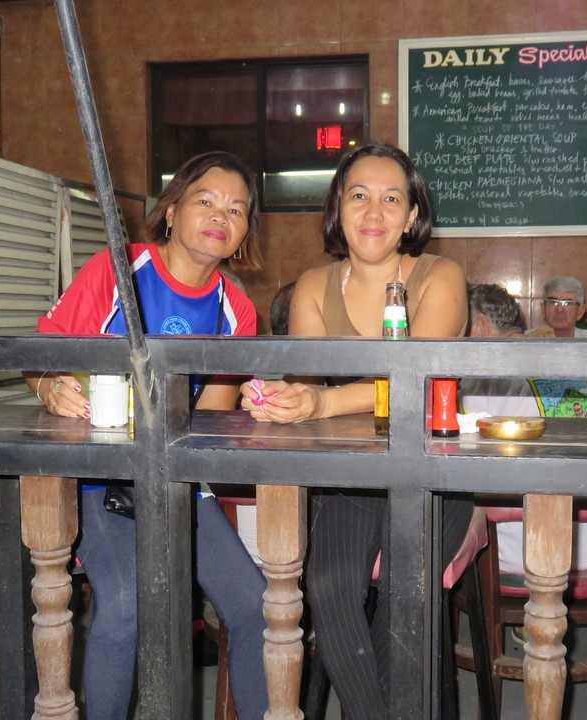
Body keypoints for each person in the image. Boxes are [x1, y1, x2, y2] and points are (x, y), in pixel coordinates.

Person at [28, 151, 269, 720]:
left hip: (176, 481)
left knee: (255, 606)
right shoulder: (118, 270)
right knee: (125, 603)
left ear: (243, 234)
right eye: (206, 201)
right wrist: (48, 387)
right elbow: (40, 353)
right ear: (172, 210)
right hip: (96, 478)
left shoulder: (236, 309)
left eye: (237, 210)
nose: (221, 216)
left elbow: (208, 419)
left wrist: (259, 407)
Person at [240, 143, 468, 719]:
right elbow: (305, 383)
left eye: (392, 199)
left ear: (412, 216)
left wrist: (322, 401)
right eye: (359, 196)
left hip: (432, 472)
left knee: (404, 590)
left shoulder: (441, 276)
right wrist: (278, 398)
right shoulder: (314, 286)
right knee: (329, 587)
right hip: (349, 476)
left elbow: (417, 377)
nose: (373, 212)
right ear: (337, 209)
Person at [460, 283, 587, 574]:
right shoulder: (564, 358)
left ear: (479, 327)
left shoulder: (482, 375)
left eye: (458, 329)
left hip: (529, 545)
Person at [525, 275, 587, 403]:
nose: (559, 309)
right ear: (543, 309)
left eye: (568, 303)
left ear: (580, 312)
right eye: (553, 302)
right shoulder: (527, 340)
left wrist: (570, 358)